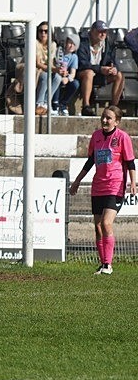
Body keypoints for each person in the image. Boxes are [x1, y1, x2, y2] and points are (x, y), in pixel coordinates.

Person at [70, 106, 135, 275]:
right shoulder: (96, 136)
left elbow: (130, 162)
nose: (105, 120)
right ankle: (103, 264)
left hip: (115, 185)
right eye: (103, 117)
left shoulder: (122, 137)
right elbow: (91, 161)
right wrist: (77, 181)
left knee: (106, 223)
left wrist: (133, 183)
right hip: (98, 186)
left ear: (117, 121)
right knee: (98, 226)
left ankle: (108, 265)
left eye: (109, 118)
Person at [77, 20, 124, 116]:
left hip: (100, 74)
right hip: (83, 74)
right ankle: (86, 106)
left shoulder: (107, 43)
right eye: (100, 31)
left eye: (105, 32)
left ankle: (114, 108)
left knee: (119, 75)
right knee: (89, 72)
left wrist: (113, 68)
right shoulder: (83, 42)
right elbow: (83, 63)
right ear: (92, 31)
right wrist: (100, 69)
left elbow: (112, 59)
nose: (103, 34)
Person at [50, 33, 80, 116]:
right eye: (70, 43)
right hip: (56, 73)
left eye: (74, 44)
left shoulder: (74, 57)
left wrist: (68, 78)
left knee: (75, 84)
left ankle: (63, 104)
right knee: (57, 79)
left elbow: (73, 73)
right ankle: (55, 104)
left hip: (66, 76)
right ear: (66, 43)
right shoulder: (58, 51)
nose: (71, 46)